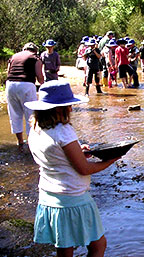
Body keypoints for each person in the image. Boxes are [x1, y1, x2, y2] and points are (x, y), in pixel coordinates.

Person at [24, 80, 120, 257]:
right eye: (69, 105)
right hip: (73, 197)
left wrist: (78, 151)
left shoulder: (35, 128)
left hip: (48, 196)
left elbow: (54, 156)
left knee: (64, 248)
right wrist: (112, 159)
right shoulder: (63, 130)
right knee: (98, 246)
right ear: (60, 108)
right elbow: (84, 169)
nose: (71, 109)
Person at [5, 42, 44, 152]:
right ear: (35, 51)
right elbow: (39, 76)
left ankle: (20, 141)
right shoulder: (35, 58)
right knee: (31, 115)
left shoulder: (14, 56)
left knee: (14, 114)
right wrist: (45, 87)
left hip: (10, 85)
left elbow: (8, 72)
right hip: (26, 85)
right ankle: (31, 142)